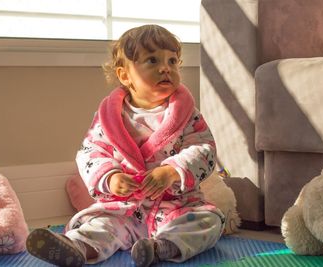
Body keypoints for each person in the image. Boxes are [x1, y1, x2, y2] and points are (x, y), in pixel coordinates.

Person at [26, 24, 225, 267]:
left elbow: (204, 149)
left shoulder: (186, 115)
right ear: (124, 75)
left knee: (209, 221)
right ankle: (77, 247)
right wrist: (110, 177)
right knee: (101, 226)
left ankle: (162, 247)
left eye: (173, 61)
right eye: (152, 60)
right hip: (124, 209)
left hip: (175, 206)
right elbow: (91, 151)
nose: (166, 68)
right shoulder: (110, 118)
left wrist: (172, 170)